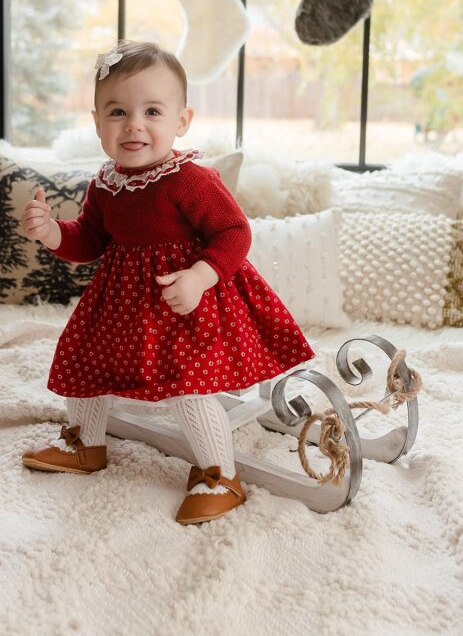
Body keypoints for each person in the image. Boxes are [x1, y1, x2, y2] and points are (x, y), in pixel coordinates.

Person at [20, 39, 316, 524]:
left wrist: (200, 275)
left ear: (181, 121)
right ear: (96, 123)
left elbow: (234, 233)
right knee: (84, 362)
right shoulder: (106, 183)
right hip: (120, 306)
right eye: (117, 111)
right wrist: (53, 232)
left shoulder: (191, 181)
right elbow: (89, 239)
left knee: (187, 385)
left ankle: (220, 475)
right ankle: (84, 444)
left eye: (152, 111)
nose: (134, 124)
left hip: (186, 301)